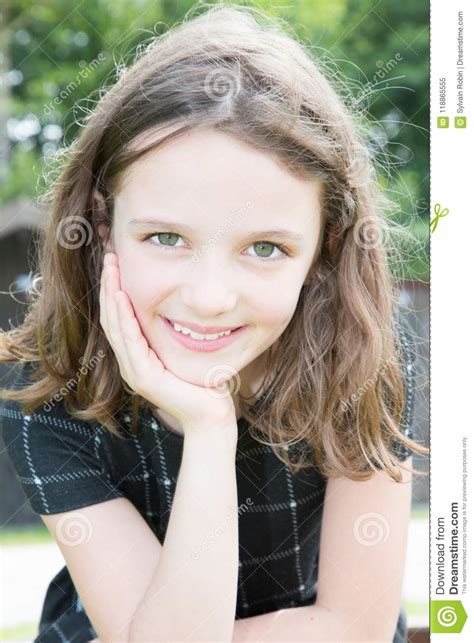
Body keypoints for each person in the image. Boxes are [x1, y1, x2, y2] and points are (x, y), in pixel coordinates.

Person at [0, 3, 428, 642]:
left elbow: (354, 628)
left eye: (265, 249)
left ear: (326, 248)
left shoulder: (364, 354)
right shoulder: (44, 383)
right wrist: (207, 430)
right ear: (101, 223)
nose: (207, 299)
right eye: (167, 236)